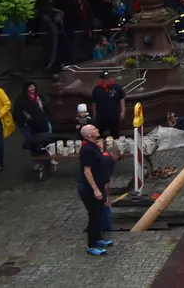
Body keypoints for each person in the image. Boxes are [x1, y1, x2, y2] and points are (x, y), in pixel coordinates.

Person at [77, 124, 115, 256]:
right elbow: (87, 171)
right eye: (94, 129)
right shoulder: (87, 149)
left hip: (98, 185)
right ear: (88, 134)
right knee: (94, 215)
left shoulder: (93, 146)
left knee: (98, 213)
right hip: (89, 189)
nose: (97, 129)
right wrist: (95, 189)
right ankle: (91, 245)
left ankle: (98, 239)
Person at [90, 71, 126, 139]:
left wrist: (123, 111)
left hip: (113, 114)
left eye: (109, 78)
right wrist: (94, 114)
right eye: (105, 79)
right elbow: (94, 102)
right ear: (101, 79)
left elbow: (122, 98)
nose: (107, 80)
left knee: (115, 132)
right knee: (99, 132)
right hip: (101, 115)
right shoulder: (96, 89)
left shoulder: (117, 87)